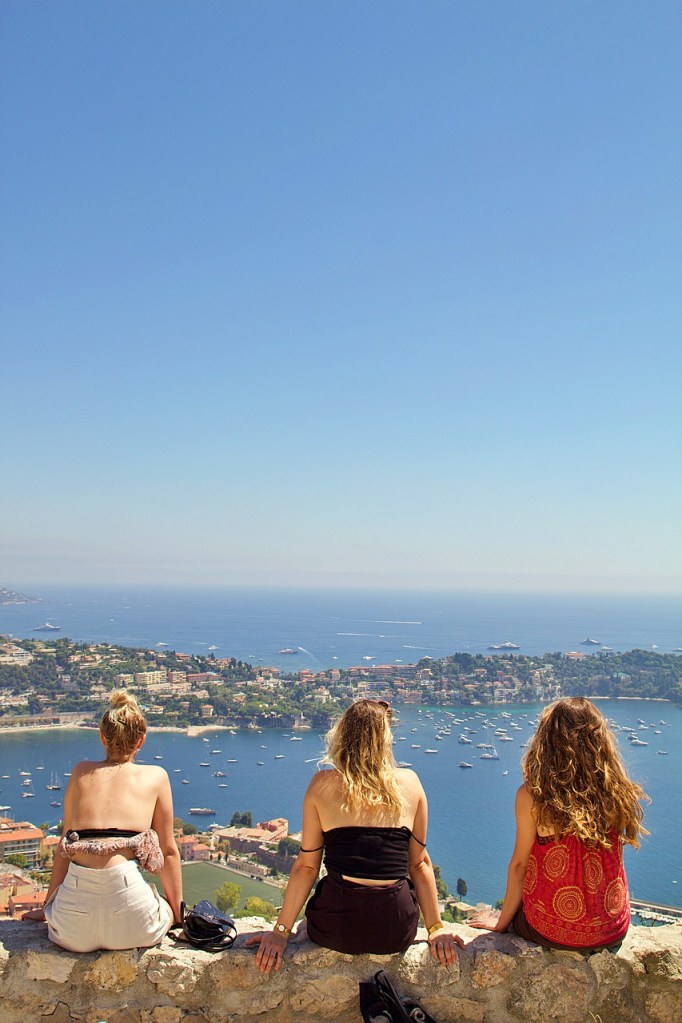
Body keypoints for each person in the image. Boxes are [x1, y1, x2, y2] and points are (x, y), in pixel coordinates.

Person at [246, 698, 464, 972]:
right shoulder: (410, 783)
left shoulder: (321, 785)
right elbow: (418, 864)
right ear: (385, 740)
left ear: (342, 736)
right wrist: (435, 928)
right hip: (394, 931)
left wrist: (280, 932)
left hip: (334, 927)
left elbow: (307, 867)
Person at [470, 697, 649, 952]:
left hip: (552, 931)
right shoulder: (616, 791)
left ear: (547, 741)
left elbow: (520, 865)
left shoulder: (533, 796)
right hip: (612, 929)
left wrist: (501, 923)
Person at [22, 690, 183, 952]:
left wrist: (47, 906)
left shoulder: (80, 772)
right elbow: (167, 851)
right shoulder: (156, 776)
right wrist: (178, 913)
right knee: (163, 905)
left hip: (73, 927)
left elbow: (65, 846)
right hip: (133, 919)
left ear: (102, 736)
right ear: (141, 740)